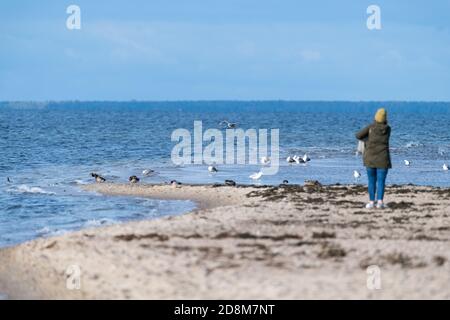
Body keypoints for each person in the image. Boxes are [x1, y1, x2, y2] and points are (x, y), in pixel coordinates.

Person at [355, 108, 392, 209]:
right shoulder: (388, 129)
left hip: (370, 158)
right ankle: (380, 202)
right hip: (383, 159)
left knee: (371, 181)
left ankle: (371, 202)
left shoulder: (370, 127)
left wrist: (368, 140)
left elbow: (358, 135)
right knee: (381, 181)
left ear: (376, 117)